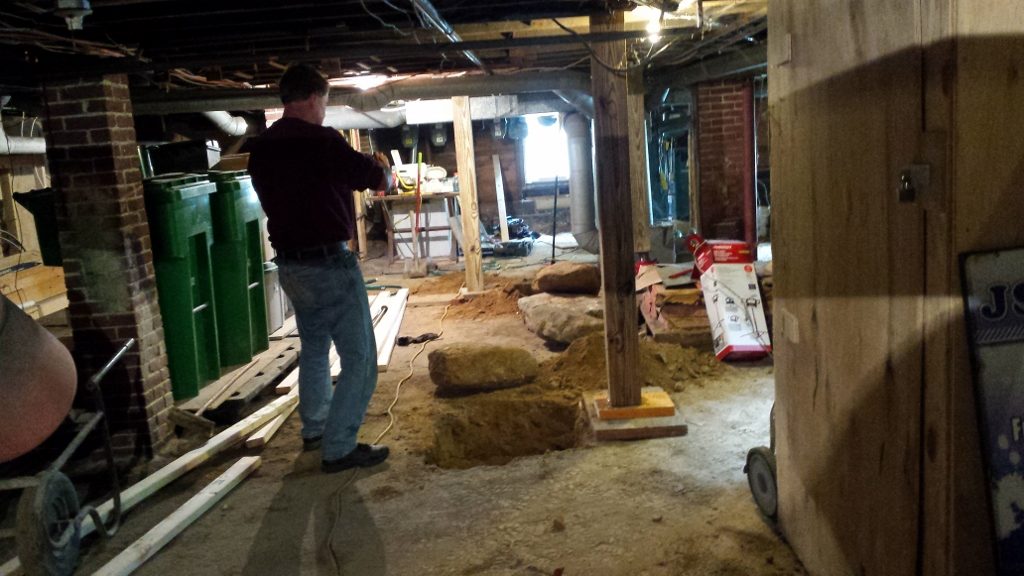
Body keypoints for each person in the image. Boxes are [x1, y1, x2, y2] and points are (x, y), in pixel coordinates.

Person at [247, 63, 389, 473]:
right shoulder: (322, 141)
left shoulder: (262, 148)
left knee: (313, 347)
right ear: (312, 98)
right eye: (325, 102)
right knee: (359, 358)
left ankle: (315, 428)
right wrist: (384, 171)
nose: (325, 110)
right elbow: (373, 177)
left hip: (291, 266)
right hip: (329, 265)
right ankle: (339, 446)